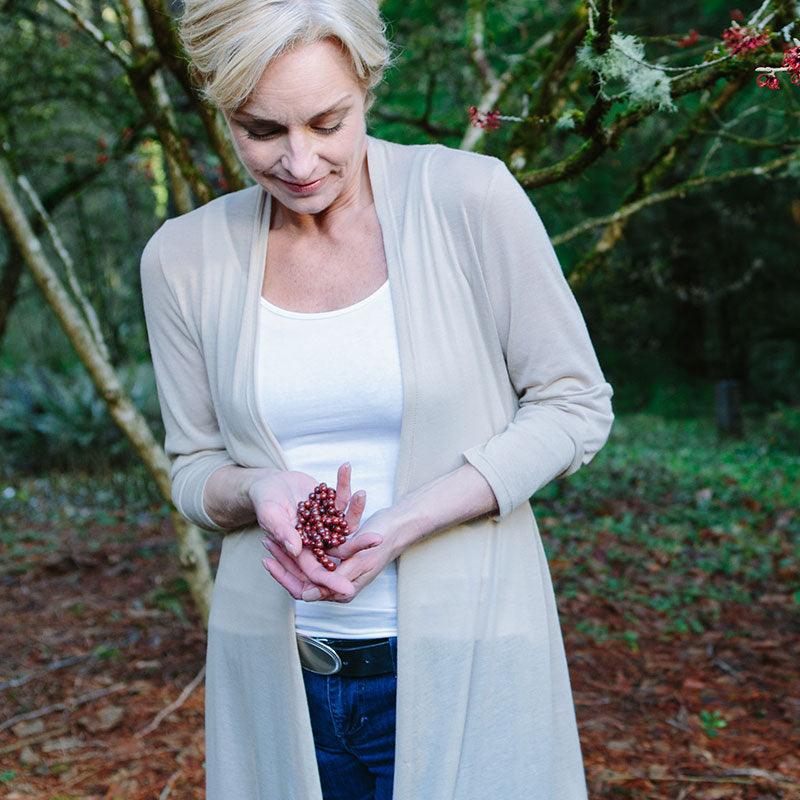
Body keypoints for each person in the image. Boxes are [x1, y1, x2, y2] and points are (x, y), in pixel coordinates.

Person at [139, 1, 615, 798]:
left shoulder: (469, 199)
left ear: (368, 83)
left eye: (329, 121)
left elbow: (573, 404)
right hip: (281, 674)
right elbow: (193, 468)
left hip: (471, 653)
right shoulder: (181, 259)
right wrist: (258, 488)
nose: (299, 162)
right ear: (222, 112)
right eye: (262, 130)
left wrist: (408, 521)